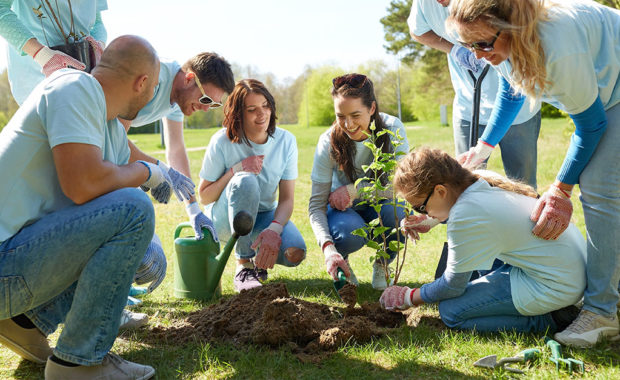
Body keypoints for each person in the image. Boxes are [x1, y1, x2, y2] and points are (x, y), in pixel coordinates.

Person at [449, 0, 619, 347]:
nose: (477, 55)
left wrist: (560, 190)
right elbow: (513, 91)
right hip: (604, 92)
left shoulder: (558, 48)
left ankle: (602, 311)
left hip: (615, 94)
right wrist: (484, 147)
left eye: (482, 44)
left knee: (599, 189)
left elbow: (591, 125)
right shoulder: (503, 42)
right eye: (468, 46)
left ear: (511, 28)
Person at [0, 35, 159, 379]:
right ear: (142, 83)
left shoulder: (109, 128)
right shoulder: (75, 86)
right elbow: (83, 184)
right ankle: (78, 363)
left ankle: (23, 323)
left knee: (130, 208)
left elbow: (103, 210)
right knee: (134, 207)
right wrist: (145, 172)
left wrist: (150, 243)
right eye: (153, 89)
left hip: (12, 265)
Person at [380, 147, 586, 334]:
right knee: (472, 283)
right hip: (567, 268)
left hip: (555, 285)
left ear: (441, 191)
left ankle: (550, 319)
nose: (421, 212)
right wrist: (428, 219)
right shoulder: (479, 178)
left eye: (420, 207)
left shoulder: (465, 214)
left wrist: (409, 296)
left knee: (451, 310)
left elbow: (453, 286)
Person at [407, 0, 541, 188]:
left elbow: (513, 90)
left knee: (523, 186)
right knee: (465, 184)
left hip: (519, 113)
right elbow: (417, 31)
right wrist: (454, 49)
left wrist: (489, 47)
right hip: (468, 107)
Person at [198, 79, 306, 292]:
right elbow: (204, 196)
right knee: (245, 180)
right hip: (224, 220)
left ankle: (258, 264)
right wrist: (235, 169)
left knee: (295, 253)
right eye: (252, 109)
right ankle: (244, 266)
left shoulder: (286, 141)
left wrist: (274, 230)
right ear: (239, 113)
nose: (262, 114)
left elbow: (287, 199)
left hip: (263, 213)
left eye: (265, 106)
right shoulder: (222, 141)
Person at [119, 52, 235, 241]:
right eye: (205, 99)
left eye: (213, 104)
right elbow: (116, 141)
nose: (205, 109)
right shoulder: (154, 79)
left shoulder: (179, 98)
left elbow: (176, 150)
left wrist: (193, 209)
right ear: (190, 79)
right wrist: (162, 170)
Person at [308, 73, 410, 290]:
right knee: (348, 233)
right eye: (340, 116)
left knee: (399, 215)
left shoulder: (392, 129)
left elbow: (402, 186)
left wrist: (356, 190)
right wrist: (328, 249)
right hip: (342, 213)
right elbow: (316, 205)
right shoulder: (327, 142)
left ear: (372, 108)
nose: (348, 124)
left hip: (381, 206)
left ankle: (383, 264)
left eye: (355, 115)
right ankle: (341, 261)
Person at [0, 0, 107, 105]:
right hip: (37, 85)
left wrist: (99, 46)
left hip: (85, 83)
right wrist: (41, 54)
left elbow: (98, 22)